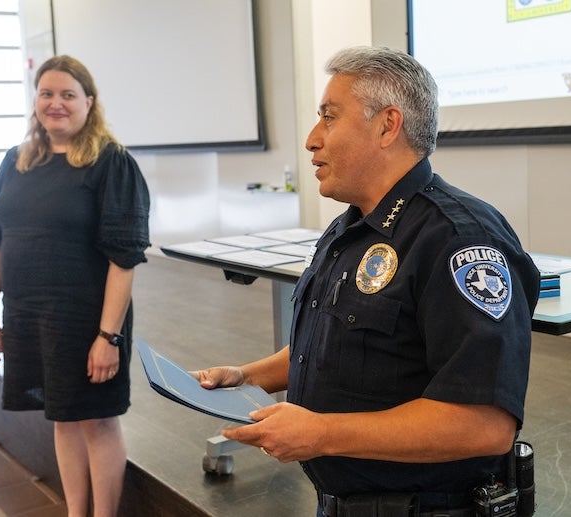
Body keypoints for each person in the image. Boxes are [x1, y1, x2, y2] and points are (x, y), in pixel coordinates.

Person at [193, 46, 540, 516]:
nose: (312, 140)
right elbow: (335, 343)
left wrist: (320, 433)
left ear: (387, 125)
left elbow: (483, 424)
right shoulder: (352, 228)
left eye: (329, 118)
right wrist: (249, 376)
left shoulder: (458, 239)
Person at [0, 55, 150, 517]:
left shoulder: (111, 163)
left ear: (89, 103)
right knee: (63, 417)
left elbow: (124, 256)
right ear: (35, 102)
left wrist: (107, 337)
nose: (56, 103)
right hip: (30, 315)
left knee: (96, 420)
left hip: (87, 320)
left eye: (68, 94)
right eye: (46, 93)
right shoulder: (17, 161)